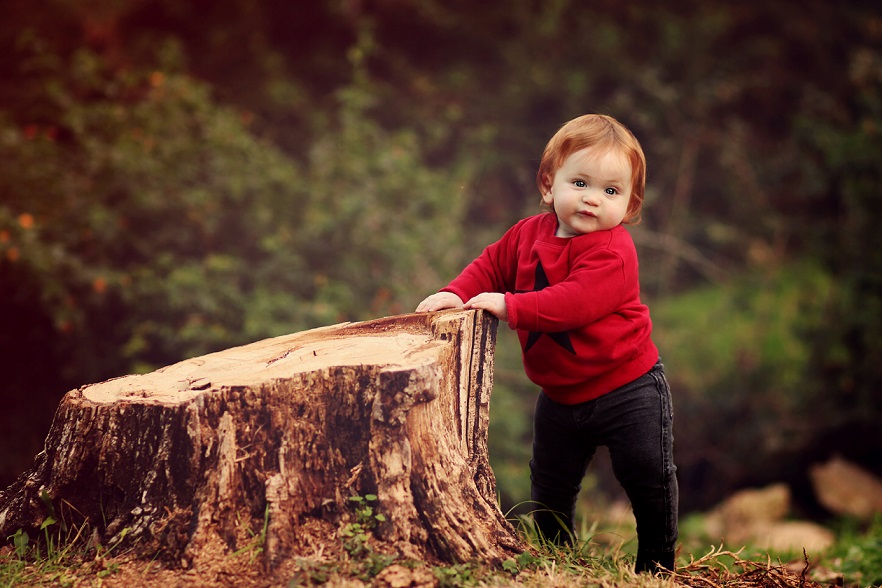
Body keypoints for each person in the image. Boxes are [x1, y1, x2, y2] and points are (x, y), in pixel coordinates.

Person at [415, 114, 678, 573]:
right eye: (580, 182)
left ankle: (657, 566)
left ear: (631, 203)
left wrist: (510, 306)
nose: (593, 199)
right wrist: (456, 292)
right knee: (551, 485)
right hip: (559, 395)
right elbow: (490, 265)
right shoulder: (526, 235)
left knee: (647, 475)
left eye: (611, 191)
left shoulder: (614, 252)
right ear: (548, 184)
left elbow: (572, 303)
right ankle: (561, 560)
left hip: (629, 388)